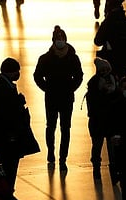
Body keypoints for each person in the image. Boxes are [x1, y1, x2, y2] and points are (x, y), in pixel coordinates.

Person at [0, 58, 40, 190]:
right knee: (8, 171)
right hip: (6, 141)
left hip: (5, 140)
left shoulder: (3, 85)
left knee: (8, 171)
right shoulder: (3, 88)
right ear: (11, 71)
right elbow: (6, 113)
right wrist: (19, 102)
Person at [33, 25, 84, 171]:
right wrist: (46, 88)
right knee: (51, 126)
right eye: (58, 39)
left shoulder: (73, 58)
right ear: (53, 41)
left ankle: (63, 157)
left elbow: (79, 76)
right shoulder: (45, 58)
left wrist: (71, 88)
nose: (60, 41)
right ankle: (51, 152)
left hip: (67, 97)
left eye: (62, 39)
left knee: (65, 128)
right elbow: (37, 76)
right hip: (51, 97)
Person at [85, 57, 120, 180]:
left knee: (112, 150)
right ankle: (97, 169)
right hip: (98, 122)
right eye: (102, 69)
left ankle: (114, 171)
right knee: (97, 146)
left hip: (110, 122)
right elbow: (93, 103)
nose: (105, 71)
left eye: (107, 69)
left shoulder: (114, 81)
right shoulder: (94, 84)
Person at [94, 2, 126, 79]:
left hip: (109, 59)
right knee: (123, 81)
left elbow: (97, 41)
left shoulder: (107, 24)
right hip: (124, 59)